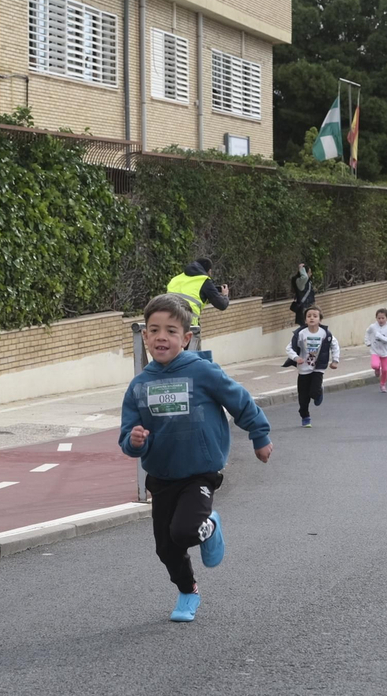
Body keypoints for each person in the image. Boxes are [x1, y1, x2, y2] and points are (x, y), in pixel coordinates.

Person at [121, 294, 272, 622]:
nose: (162, 337)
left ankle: (210, 524)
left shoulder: (203, 372)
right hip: (161, 477)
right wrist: (134, 442)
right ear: (144, 336)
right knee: (166, 547)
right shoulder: (139, 387)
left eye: (171, 331)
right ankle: (188, 590)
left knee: (186, 531)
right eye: (154, 330)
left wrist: (259, 435)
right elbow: (127, 437)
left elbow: (239, 400)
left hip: (199, 472)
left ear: (186, 339)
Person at [284, 304, 339, 426]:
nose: (312, 318)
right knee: (303, 397)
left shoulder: (325, 334)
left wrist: (335, 360)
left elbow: (334, 345)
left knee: (314, 392)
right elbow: (289, 348)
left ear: (320, 319)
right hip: (303, 369)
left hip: (318, 367)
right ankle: (305, 417)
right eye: (309, 316)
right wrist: (296, 357)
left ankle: (319, 392)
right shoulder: (301, 334)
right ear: (305, 320)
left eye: (315, 316)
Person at [167, 257, 230, 330]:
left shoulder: (176, 278)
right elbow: (222, 305)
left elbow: (191, 294)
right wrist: (225, 295)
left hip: (168, 321)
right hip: (188, 324)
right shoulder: (204, 281)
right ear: (209, 271)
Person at [364, 307, 387, 393]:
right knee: (375, 365)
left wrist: (380, 336)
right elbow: (367, 332)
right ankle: (377, 370)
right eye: (379, 318)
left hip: (385, 352)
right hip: (375, 350)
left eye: (383, 318)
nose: (381, 320)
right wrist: (367, 341)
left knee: (385, 370)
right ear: (376, 318)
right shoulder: (373, 327)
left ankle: (383, 384)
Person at [289, 263, 316, 328]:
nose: (311, 274)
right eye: (309, 272)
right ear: (304, 272)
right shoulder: (300, 282)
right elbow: (305, 277)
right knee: (305, 328)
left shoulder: (307, 282)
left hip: (309, 306)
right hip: (304, 308)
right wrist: (301, 268)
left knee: (309, 328)